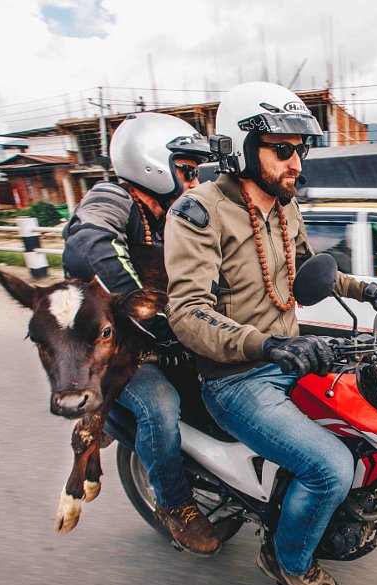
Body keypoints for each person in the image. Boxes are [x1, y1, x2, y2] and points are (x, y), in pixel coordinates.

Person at [164, 82, 377, 585]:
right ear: (242, 149)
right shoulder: (198, 213)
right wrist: (265, 346)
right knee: (329, 466)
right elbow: (188, 314)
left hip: (289, 354)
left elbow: (311, 272)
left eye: (300, 149)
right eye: (282, 149)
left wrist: (371, 290)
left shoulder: (284, 206)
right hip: (237, 379)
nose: (296, 162)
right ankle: (287, 557)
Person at [61, 113, 222, 556]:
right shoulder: (111, 199)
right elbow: (91, 241)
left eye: (196, 172)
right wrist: (147, 316)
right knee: (159, 405)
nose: (193, 181)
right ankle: (175, 505)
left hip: (160, 338)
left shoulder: (174, 214)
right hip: (113, 351)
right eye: (187, 169)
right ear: (151, 163)